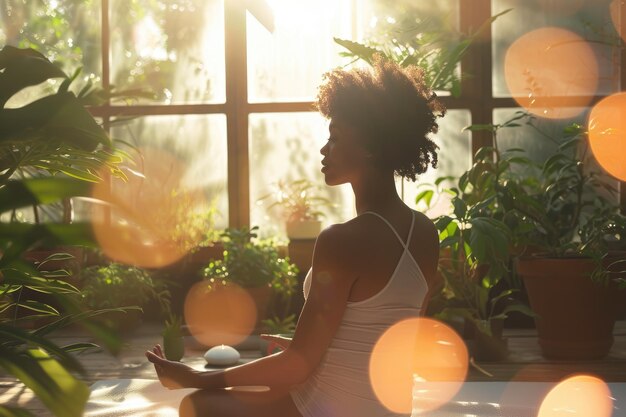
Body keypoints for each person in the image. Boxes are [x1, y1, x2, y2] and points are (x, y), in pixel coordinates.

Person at [146, 56, 445, 417]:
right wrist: (319, 346)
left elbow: (298, 366)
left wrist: (194, 376)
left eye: (334, 138)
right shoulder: (425, 233)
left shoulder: (341, 241)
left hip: (324, 408)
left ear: (369, 147)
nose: (324, 149)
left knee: (199, 405)